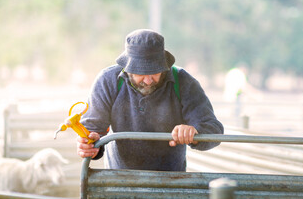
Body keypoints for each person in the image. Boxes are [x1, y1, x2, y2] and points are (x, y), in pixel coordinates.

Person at [76, 29, 224, 171]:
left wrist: (194, 132)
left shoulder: (184, 82)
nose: (148, 81)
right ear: (127, 67)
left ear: (164, 65)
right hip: (119, 178)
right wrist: (90, 145)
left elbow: (214, 130)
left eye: (154, 72)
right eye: (140, 72)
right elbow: (92, 130)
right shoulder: (108, 81)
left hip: (172, 182)